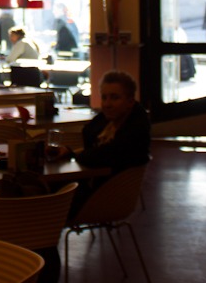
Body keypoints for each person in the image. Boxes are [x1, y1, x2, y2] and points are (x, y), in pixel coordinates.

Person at [63, 70, 152, 214]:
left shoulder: (135, 132)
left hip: (107, 197)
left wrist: (78, 155)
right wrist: (71, 152)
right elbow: (91, 143)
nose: (107, 104)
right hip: (94, 185)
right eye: (104, 98)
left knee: (48, 196)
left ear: (130, 102)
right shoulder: (109, 120)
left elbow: (101, 155)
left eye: (114, 98)